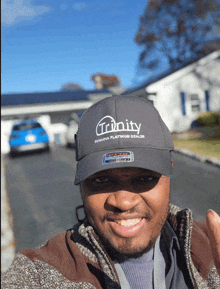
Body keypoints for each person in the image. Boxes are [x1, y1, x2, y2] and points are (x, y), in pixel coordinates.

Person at [2, 95, 220, 288]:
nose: (123, 202)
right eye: (101, 179)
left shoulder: (211, 246)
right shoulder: (42, 271)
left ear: (169, 172)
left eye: (144, 178)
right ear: (82, 184)